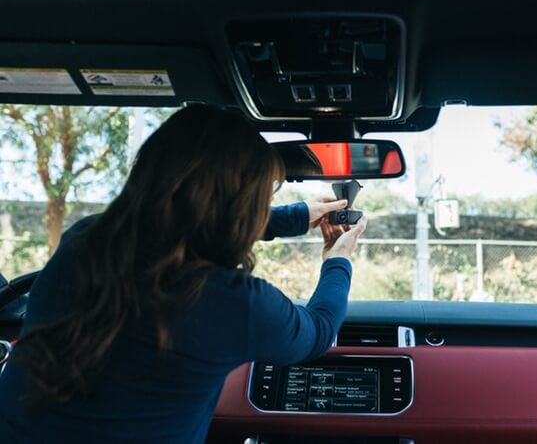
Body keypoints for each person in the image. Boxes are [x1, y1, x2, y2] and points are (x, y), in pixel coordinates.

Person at [0, 105, 367, 443]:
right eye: (261, 199)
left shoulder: (83, 241)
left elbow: (178, 220)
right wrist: (339, 260)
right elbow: (318, 331)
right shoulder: (233, 302)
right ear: (243, 205)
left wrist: (296, 216)